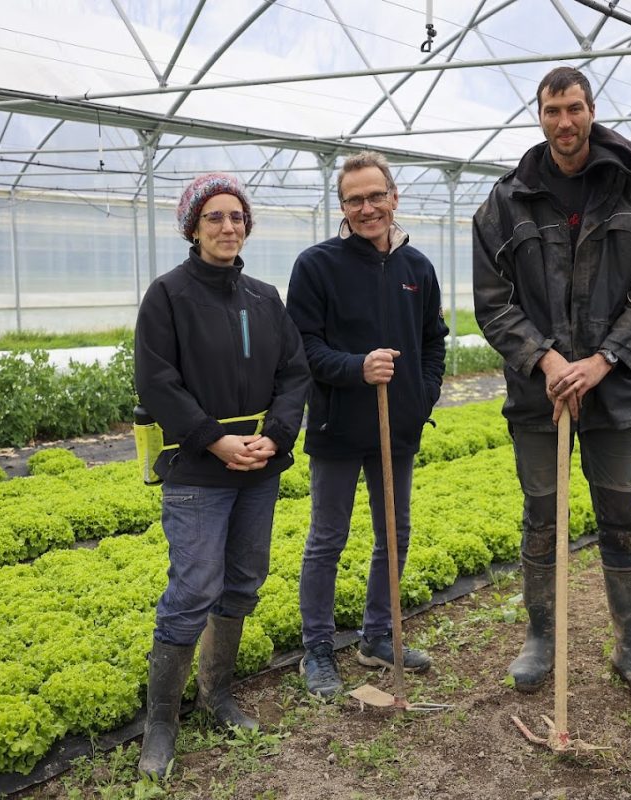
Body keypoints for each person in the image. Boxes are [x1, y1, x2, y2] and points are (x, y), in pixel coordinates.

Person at [471, 67, 631, 709]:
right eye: (553, 110)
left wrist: (603, 360)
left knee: (621, 519)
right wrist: (547, 361)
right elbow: (492, 302)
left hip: (614, 396)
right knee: (541, 520)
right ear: (539, 115)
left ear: (592, 112)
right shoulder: (505, 203)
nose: (565, 122)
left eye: (575, 109)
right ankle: (540, 637)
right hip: (539, 399)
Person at [133, 173, 310, 777]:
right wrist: (214, 440)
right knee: (191, 590)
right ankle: (161, 723)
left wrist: (275, 437)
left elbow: (294, 374)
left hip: (256, 467)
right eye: (214, 217)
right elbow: (157, 382)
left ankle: (216, 696)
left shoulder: (264, 297)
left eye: (236, 217)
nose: (228, 226)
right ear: (193, 226)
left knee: (242, 582)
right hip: (197, 471)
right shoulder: (168, 296)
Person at [287, 151, 448, 699]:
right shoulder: (317, 265)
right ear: (342, 207)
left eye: (376, 195)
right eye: (354, 199)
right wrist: (356, 368)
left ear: (393, 197)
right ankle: (318, 649)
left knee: (394, 534)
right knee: (327, 539)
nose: (367, 207)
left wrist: (422, 397)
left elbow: (433, 340)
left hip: (396, 427)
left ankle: (379, 635)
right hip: (337, 426)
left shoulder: (417, 269)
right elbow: (302, 348)